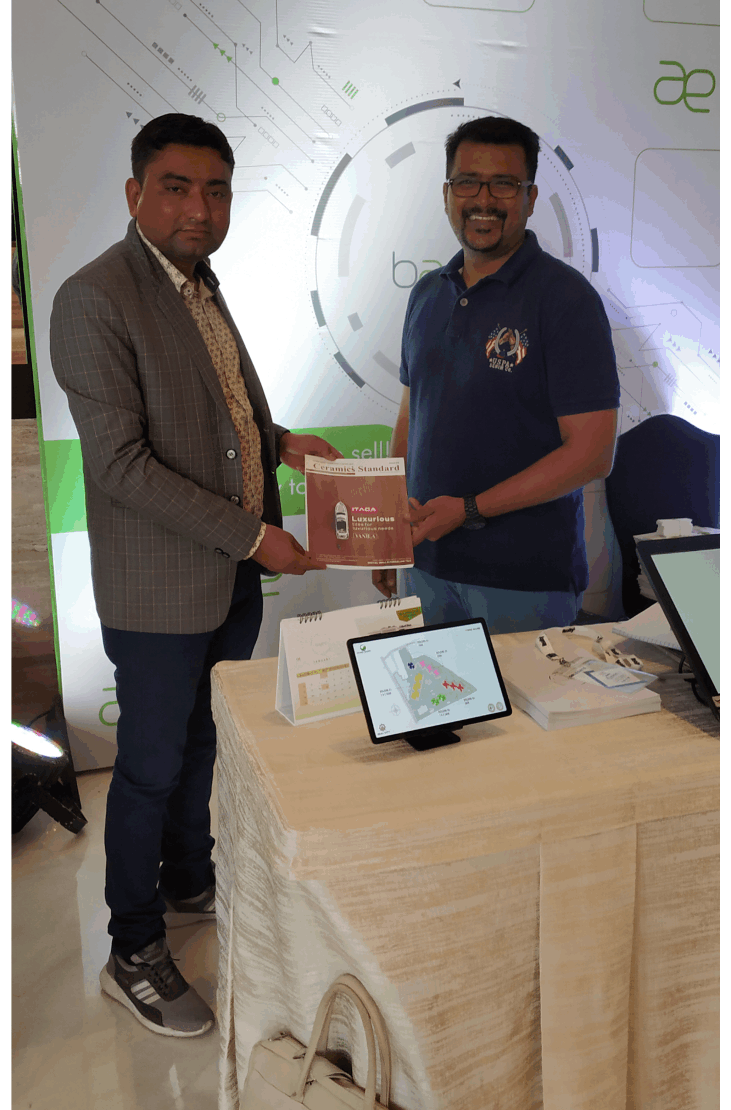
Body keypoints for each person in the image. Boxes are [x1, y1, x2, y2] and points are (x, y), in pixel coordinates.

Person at [50, 114, 339, 1038]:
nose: (199, 208)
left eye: (216, 190)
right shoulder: (94, 297)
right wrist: (256, 536)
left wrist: (282, 443)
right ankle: (132, 949)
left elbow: (217, 412)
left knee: (203, 747)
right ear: (135, 192)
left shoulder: (201, 283)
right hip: (160, 590)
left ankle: (187, 880)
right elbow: (121, 465)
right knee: (146, 769)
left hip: (228, 579)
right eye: (176, 187)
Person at [373, 115, 620, 631]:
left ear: (530, 198)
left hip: (524, 582)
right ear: (447, 194)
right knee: (433, 689)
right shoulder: (427, 294)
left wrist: (469, 509)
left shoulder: (566, 299)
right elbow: (411, 417)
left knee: (521, 693)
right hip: (427, 567)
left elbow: (593, 453)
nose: (483, 199)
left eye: (504, 184)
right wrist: (388, 533)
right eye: (468, 182)